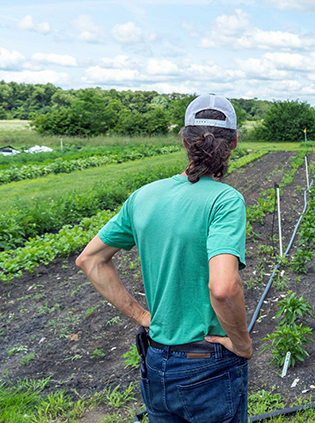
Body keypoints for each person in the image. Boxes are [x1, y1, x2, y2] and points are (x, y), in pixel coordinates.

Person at [76, 94, 252, 423]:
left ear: (184, 140)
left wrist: (143, 316)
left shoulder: (144, 196)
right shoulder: (225, 201)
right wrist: (241, 343)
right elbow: (224, 287)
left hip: (156, 359)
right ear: (234, 142)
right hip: (206, 359)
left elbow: (90, 260)